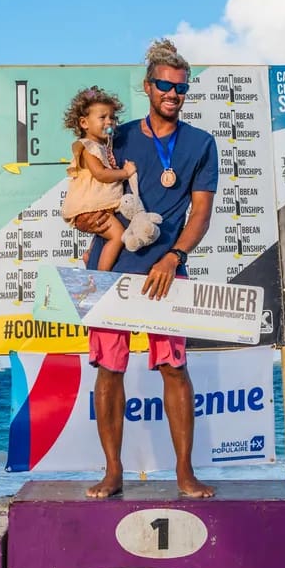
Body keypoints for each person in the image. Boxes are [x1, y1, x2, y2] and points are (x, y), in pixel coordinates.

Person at [73, 38, 218, 499]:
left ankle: (184, 473)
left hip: (166, 272)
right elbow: (89, 187)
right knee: (108, 369)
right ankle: (113, 471)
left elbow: (201, 214)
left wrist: (175, 256)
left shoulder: (202, 143)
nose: (173, 94)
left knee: (174, 369)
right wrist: (89, 230)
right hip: (111, 269)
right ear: (148, 86)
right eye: (164, 85)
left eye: (181, 87)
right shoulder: (117, 136)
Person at [61, 86, 137, 271]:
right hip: (88, 207)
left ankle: (90, 254)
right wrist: (125, 173)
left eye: (112, 117)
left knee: (106, 229)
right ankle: (103, 274)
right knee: (117, 235)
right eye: (102, 117)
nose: (109, 122)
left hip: (97, 206)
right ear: (84, 123)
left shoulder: (103, 146)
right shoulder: (89, 147)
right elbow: (101, 174)